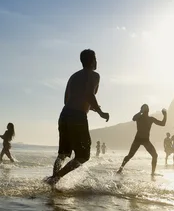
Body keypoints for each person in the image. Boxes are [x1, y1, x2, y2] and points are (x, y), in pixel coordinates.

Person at [46, 49, 109, 185]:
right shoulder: (94, 75)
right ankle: (55, 178)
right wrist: (100, 112)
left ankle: (53, 180)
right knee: (83, 156)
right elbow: (89, 94)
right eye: (96, 59)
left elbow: (67, 100)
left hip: (64, 115)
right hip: (77, 117)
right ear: (93, 61)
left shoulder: (73, 77)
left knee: (63, 154)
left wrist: (90, 107)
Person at [118, 105, 167, 175]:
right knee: (130, 155)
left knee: (155, 155)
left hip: (146, 140)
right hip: (137, 139)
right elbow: (133, 118)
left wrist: (165, 115)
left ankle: (153, 173)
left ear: (148, 110)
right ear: (142, 110)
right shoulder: (139, 117)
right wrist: (140, 112)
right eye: (144, 109)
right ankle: (120, 169)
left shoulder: (150, 119)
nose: (145, 111)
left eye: (146, 109)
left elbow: (163, 124)